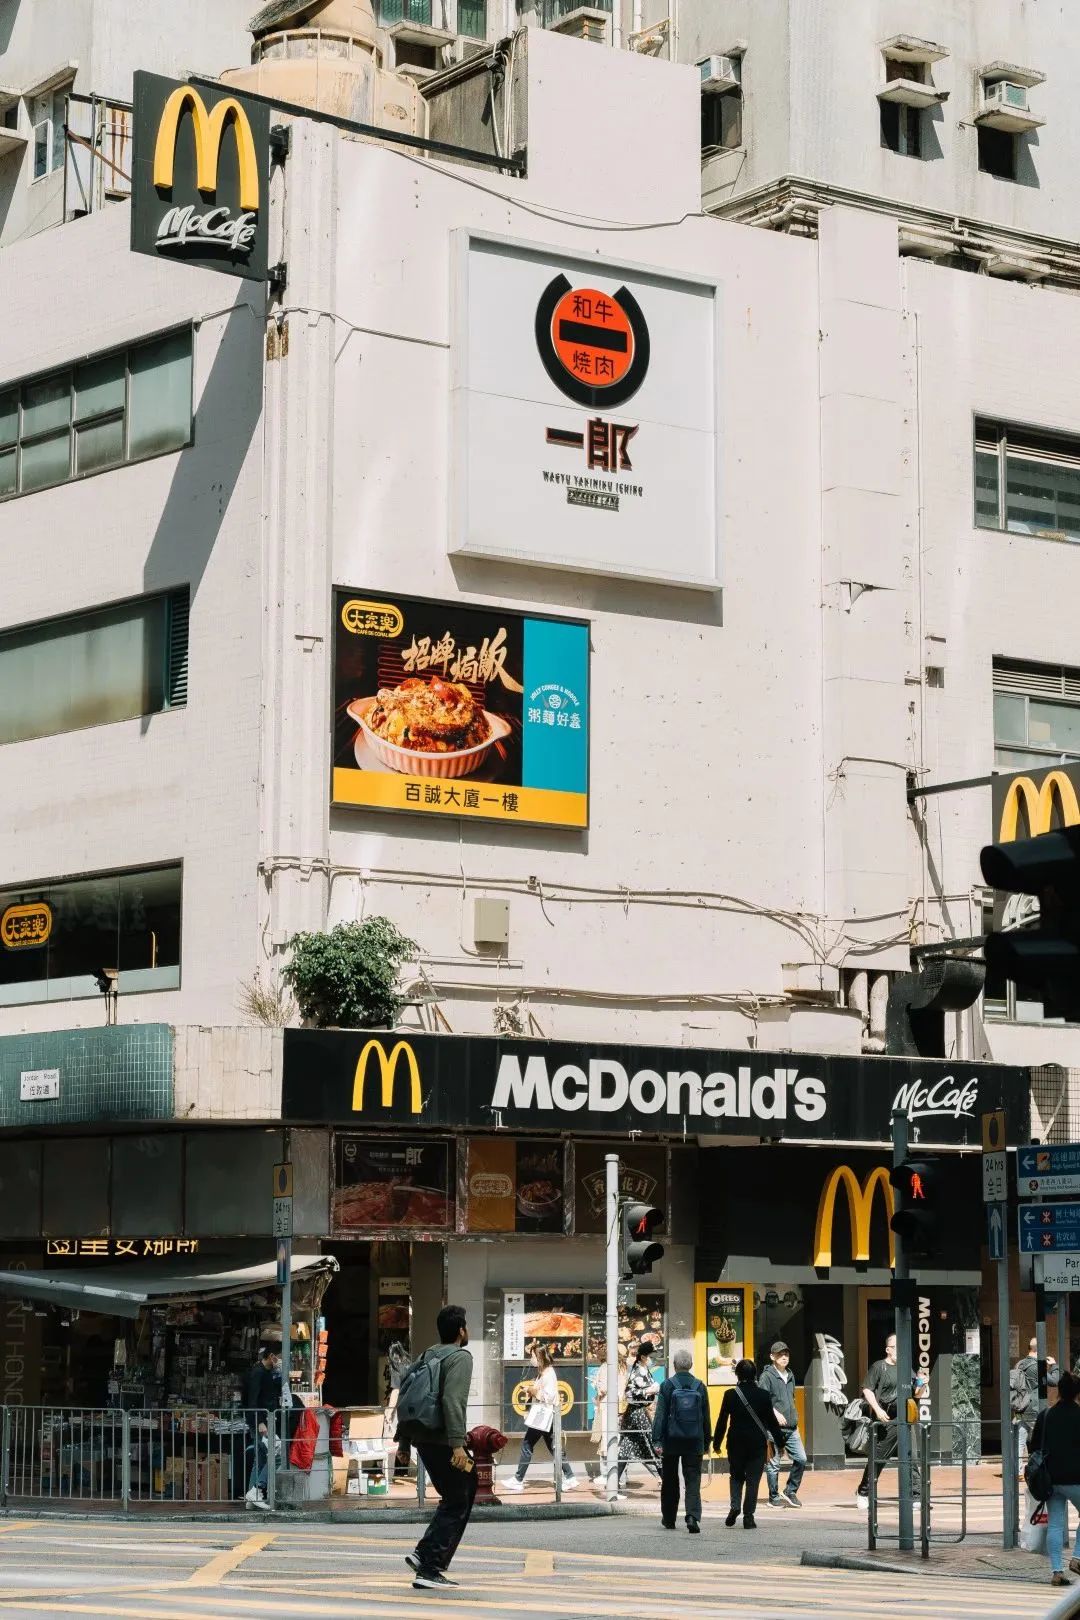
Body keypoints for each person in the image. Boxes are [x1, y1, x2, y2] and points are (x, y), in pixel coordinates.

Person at [397, 1304, 477, 1593]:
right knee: (459, 1497)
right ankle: (430, 1567)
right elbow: (453, 1402)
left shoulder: (427, 1354)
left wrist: (403, 1442)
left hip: (422, 1437)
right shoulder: (459, 1357)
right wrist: (457, 1445)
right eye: (465, 1325)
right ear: (460, 1330)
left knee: (461, 1489)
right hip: (442, 1439)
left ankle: (424, 1553)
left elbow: (406, 1397)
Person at [855, 1333, 927, 1508]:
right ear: (888, 1349)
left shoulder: (906, 1368)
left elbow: (916, 1394)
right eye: (896, 1347)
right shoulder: (879, 1367)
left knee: (911, 1457)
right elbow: (867, 1389)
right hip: (886, 1420)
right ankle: (864, 1491)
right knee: (878, 1458)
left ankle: (915, 1496)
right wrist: (877, 1410)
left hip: (905, 1419)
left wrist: (923, 1384)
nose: (900, 1351)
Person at [713, 1358, 785, 1529]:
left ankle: (735, 1506)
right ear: (755, 1375)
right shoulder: (763, 1395)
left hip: (736, 1443)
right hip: (757, 1444)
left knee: (736, 1476)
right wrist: (780, 1443)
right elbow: (772, 1422)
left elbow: (722, 1421)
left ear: (737, 1374)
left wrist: (716, 1442)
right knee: (753, 1480)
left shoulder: (730, 1395)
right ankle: (748, 1517)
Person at [503, 1345, 578, 1492]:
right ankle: (570, 1477)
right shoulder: (544, 1373)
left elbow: (549, 1397)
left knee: (527, 1444)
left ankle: (518, 1479)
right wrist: (532, 1390)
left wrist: (532, 1391)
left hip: (544, 1414)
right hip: (545, 1415)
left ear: (539, 1358)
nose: (531, 1360)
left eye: (532, 1357)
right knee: (553, 1447)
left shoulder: (548, 1373)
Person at [1030, 1368, 1080, 1587]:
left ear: (1058, 1392)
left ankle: (1056, 1572)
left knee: (1056, 1524)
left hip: (1051, 1479)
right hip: (1077, 1478)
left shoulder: (1046, 1415)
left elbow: (1033, 1446)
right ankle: (1077, 1558)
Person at [652, 1348, 710, 1533]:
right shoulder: (700, 1386)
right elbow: (706, 1417)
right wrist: (706, 1441)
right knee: (693, 1479)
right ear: (691, 1365)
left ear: (674, 1365)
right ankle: (692, 1516)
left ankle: (669, 1518)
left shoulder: (667, 1385)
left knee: (670, 1479)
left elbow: (660, 1416)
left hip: (671, 1440)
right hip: (694, 1441)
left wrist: (657, 1440)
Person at [759, 1341, 806, 1510]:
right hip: (773, 1428)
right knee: (773, 1464)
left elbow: (791, 1399)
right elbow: (762, 1401)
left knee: (801, 1458)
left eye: (786, 1354)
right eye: (780, 1354)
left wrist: (795, 1421)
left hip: (791, 1427)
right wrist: (775, 1413)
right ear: (772, 1357)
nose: (784, 1357)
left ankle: (790, 1490)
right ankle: (773, 1497)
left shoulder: (791, 1375)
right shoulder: (767, 1376)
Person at [241, 1344, 281, 1510]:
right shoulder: (257, 1373)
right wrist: (259, 1422)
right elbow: (253, 1401)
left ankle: (252, 1498)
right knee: (275, 1455)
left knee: (261, 1458)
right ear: (271, 1356)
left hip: (264, 1420)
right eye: (278, 1357)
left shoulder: (266, 1372)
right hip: (261, 1422)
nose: (279, 1360)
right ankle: (256, 1491)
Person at [617, 1344, 662, 1490]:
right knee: (652, 1443)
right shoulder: (637, 1371)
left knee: (626, 1446)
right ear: (643, 1357)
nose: (653, 1359)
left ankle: (613, 1481)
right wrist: (649, 1391)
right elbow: (629, 1393)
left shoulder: (643, 1369)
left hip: (634, 1413)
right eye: (651, 1356)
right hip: (638, 1413)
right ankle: (666, 1479)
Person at [1013, 1338, 1057, 1465]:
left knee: (1019, 1440)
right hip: (1034, 1408)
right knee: (1041, 1440)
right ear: (1038, 1349)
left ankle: (1018, 1470)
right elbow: (1054, 1381)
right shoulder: (1036, 1366)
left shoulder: (1019, 1364)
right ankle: (1038, 1468)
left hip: (1019, 1408)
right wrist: (1054, 1365)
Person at [591, 1344, 628, 1489]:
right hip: (620, 1406)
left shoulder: (606, 1367)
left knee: (607, 1440)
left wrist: (596, 1384)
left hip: (608, 1406)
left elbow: (603, 1389)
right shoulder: (623, 1367)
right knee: (618, 1440)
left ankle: (607, 1475)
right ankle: (622, 1476)